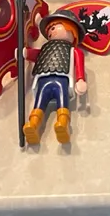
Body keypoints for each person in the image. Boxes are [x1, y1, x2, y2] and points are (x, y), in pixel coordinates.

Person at [23, 11, 86, 145]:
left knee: (62, 101)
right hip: (43, 79)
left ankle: (62, 124)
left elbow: (79, 65)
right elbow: (37, 55)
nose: (50, 32)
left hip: (62, 79)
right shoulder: (45, 48)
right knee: (39, 102)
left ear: (71, 30)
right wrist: (26, 53)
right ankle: (33, 125)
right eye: (49, 30)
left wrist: (80, 79)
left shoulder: (73, 50)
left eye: (54, 27)